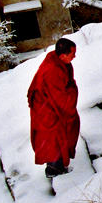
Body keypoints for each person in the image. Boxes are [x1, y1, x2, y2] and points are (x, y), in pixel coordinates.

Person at [27, 38, 80, 178]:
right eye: (72, 53)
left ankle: (58, 168)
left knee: (57, 138)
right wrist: (73, 91)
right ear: (62, 55)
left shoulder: (59, 62)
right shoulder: (52, 70)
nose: (74, 56)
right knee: (53, 140)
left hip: (49, 106)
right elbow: (60, 98)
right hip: (47, 110)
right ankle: (54, 171)